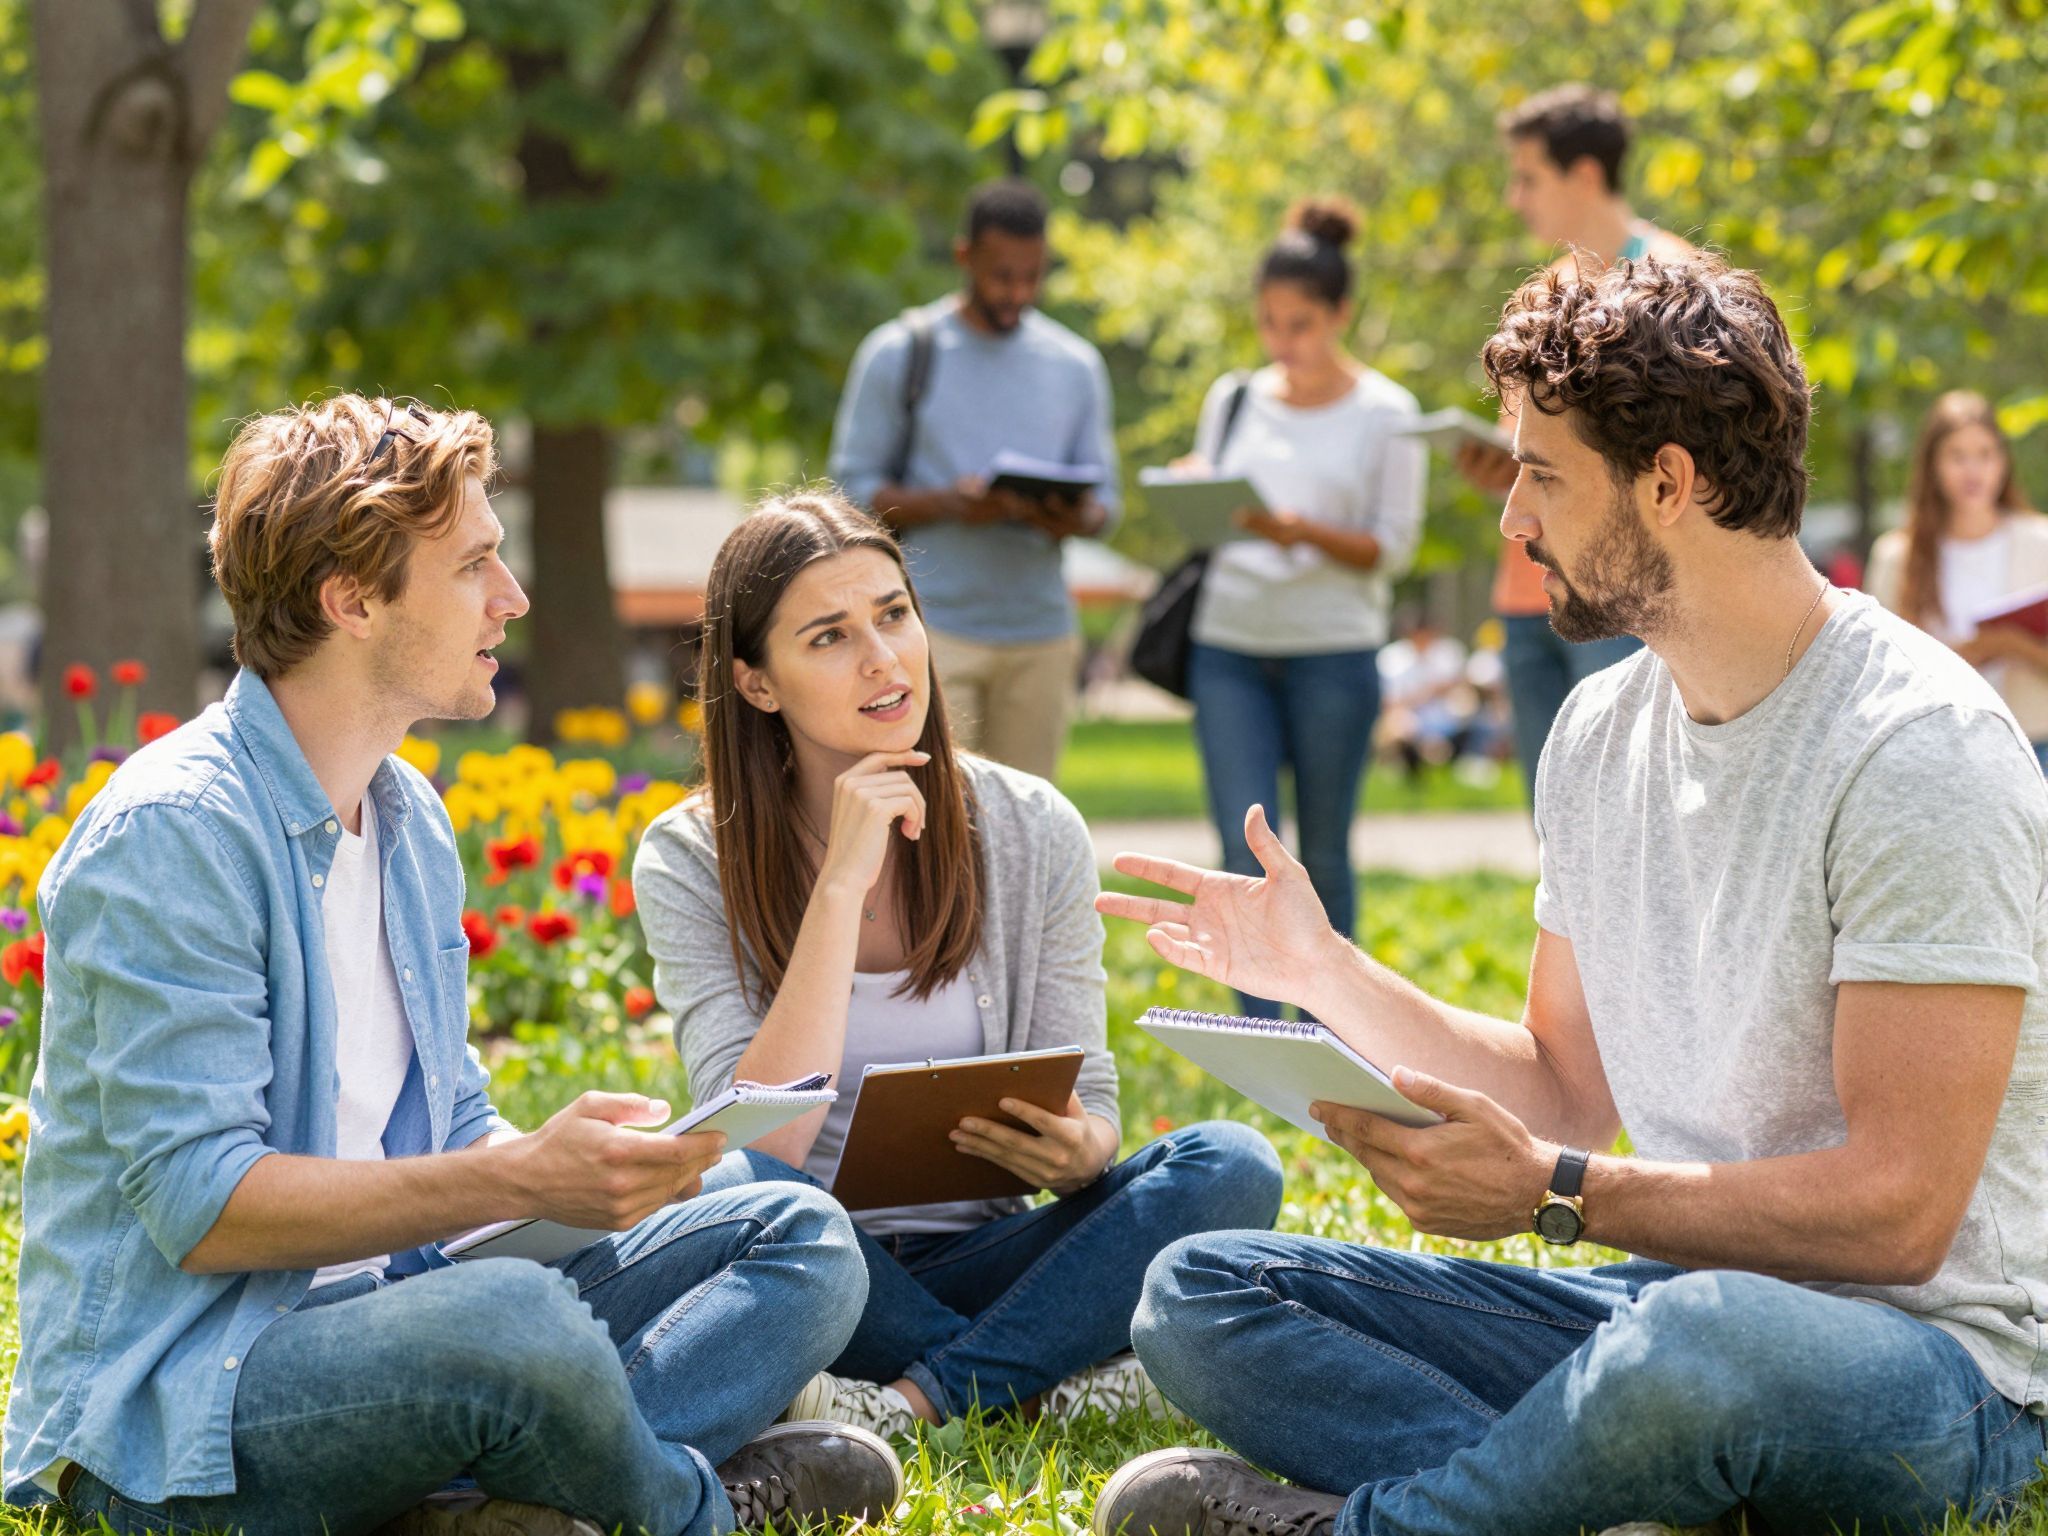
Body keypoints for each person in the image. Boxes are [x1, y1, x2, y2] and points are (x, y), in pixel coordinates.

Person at [1089, 258, 2048, 1536]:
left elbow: (1898, 1215)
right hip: (1674, 1306)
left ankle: (1397, 1523)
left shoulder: (1916, 748)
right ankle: (1599, 1493)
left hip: (1932, 1374)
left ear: (1667, 480)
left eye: (1541, 475)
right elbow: (1560, 1086)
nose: (1510, 521)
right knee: (1202, 1295)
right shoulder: (1598, 731)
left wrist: (1558, 1194)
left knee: (1705, 1349)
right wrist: (1323, 972)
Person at [1, 397, 902, 1536]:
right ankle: (685, 1505)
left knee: (791, 1226)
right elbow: (203, 1207)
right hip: (189, 1405)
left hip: (398, 1308)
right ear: (352, 600)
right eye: (475, 564)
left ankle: (489, 1502)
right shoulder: (175, 833)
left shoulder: (407, 815)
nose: (511, 599)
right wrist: (517, 1181)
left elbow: (442, 1126)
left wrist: (576, 1172)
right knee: (513, 1326)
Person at [632, 489, 1282, 1441]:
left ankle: (921, 1401)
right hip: (813, 1260)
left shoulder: (1029, 824)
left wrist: (1080, 1151)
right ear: (757, 683)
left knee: (1230, 1163)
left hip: (994, 1247)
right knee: (748, 1196)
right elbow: (760, 1143)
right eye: (828, 637)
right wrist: (840, 889)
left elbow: (1088, 1098)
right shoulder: (690, 855)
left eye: (894, 615)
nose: (882, 658)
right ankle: (1038, 1375)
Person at [1173, 197, 1424, 1016]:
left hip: (1333, 652)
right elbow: (1214, 499)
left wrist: (1298, 532)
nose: (1284, 343)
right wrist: (1192, 486)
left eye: (1303, 324)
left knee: (1319, 856)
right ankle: (1260, 1035)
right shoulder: (1235, 396)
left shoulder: (1387, 413)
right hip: (1230, 647)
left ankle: (1336, 1030)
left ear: (1342, 313)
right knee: (1242, 854)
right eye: (1271, 323)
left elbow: (1392, 546)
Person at [828, 178, 1121, 781]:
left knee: (1027, 832)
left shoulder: (1075, 367)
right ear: (965, 258)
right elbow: (850, 496)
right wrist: (951, 504)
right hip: (932, 631)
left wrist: (1065, 515)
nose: (1018, 292)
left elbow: (1106, 505)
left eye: (1032, 275)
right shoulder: (901, 353)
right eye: (1001, 275)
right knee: (933, 821)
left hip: (1040, 634)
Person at [1458, 84, 1695, 799]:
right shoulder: (1541, 292)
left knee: (1629, 819)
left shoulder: (1673, 280)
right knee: (1557, 830)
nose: (1514, 197)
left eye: (1528, 177)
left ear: (1585, 175)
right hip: (1530, 595)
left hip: (1624, 595)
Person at [1869, 390, 2048, 772]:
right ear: (1933, 464)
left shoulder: (2040, 543)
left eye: (1985, 454)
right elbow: (1878, 676)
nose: (1973, 471)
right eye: (1957, 456)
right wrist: (1964, 656)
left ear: (2002, 461)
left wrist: (2014, 646)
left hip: (2036, 748)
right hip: (1939, 754)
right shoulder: (1896, 557)